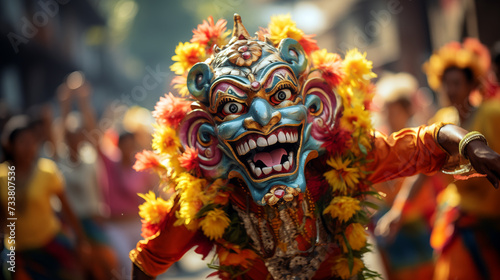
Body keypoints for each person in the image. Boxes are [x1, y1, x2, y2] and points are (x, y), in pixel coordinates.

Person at [130, 15, 500, 280]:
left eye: (279, 96)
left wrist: (471, 147)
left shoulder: (340, 162)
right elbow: (148, 262)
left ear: (313, 107)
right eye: (232, 106)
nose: (263, 117)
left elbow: (424, 142)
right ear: (205, 134)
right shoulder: (205, 198)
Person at [422, 38, 500, 280]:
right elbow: (425, 165)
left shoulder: (492, 113)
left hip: (493, 217)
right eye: (446, 83)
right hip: (458, 215)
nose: (451, 89)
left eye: (456, 83)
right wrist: (400, 210)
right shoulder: (442, 120)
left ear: (471, 84)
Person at [0, 115, 89, 280]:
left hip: (50, 243)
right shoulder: (2, 176)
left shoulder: (46, 171)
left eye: (31, 142)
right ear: (10, 145)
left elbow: (66, 208)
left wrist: (81, 240)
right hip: (19, 251)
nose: (28, 147)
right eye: (22, 142)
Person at [57, 76, 118, 280]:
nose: (75, 137)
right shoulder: (58, 158)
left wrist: (83, 101)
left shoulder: (91, 155)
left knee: (107, 267)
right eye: (70, 134)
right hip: (69, 224)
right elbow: (60, 133)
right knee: (77, 271)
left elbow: (92, 129)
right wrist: (65, 103)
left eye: (79, 133)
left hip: (93, 220)